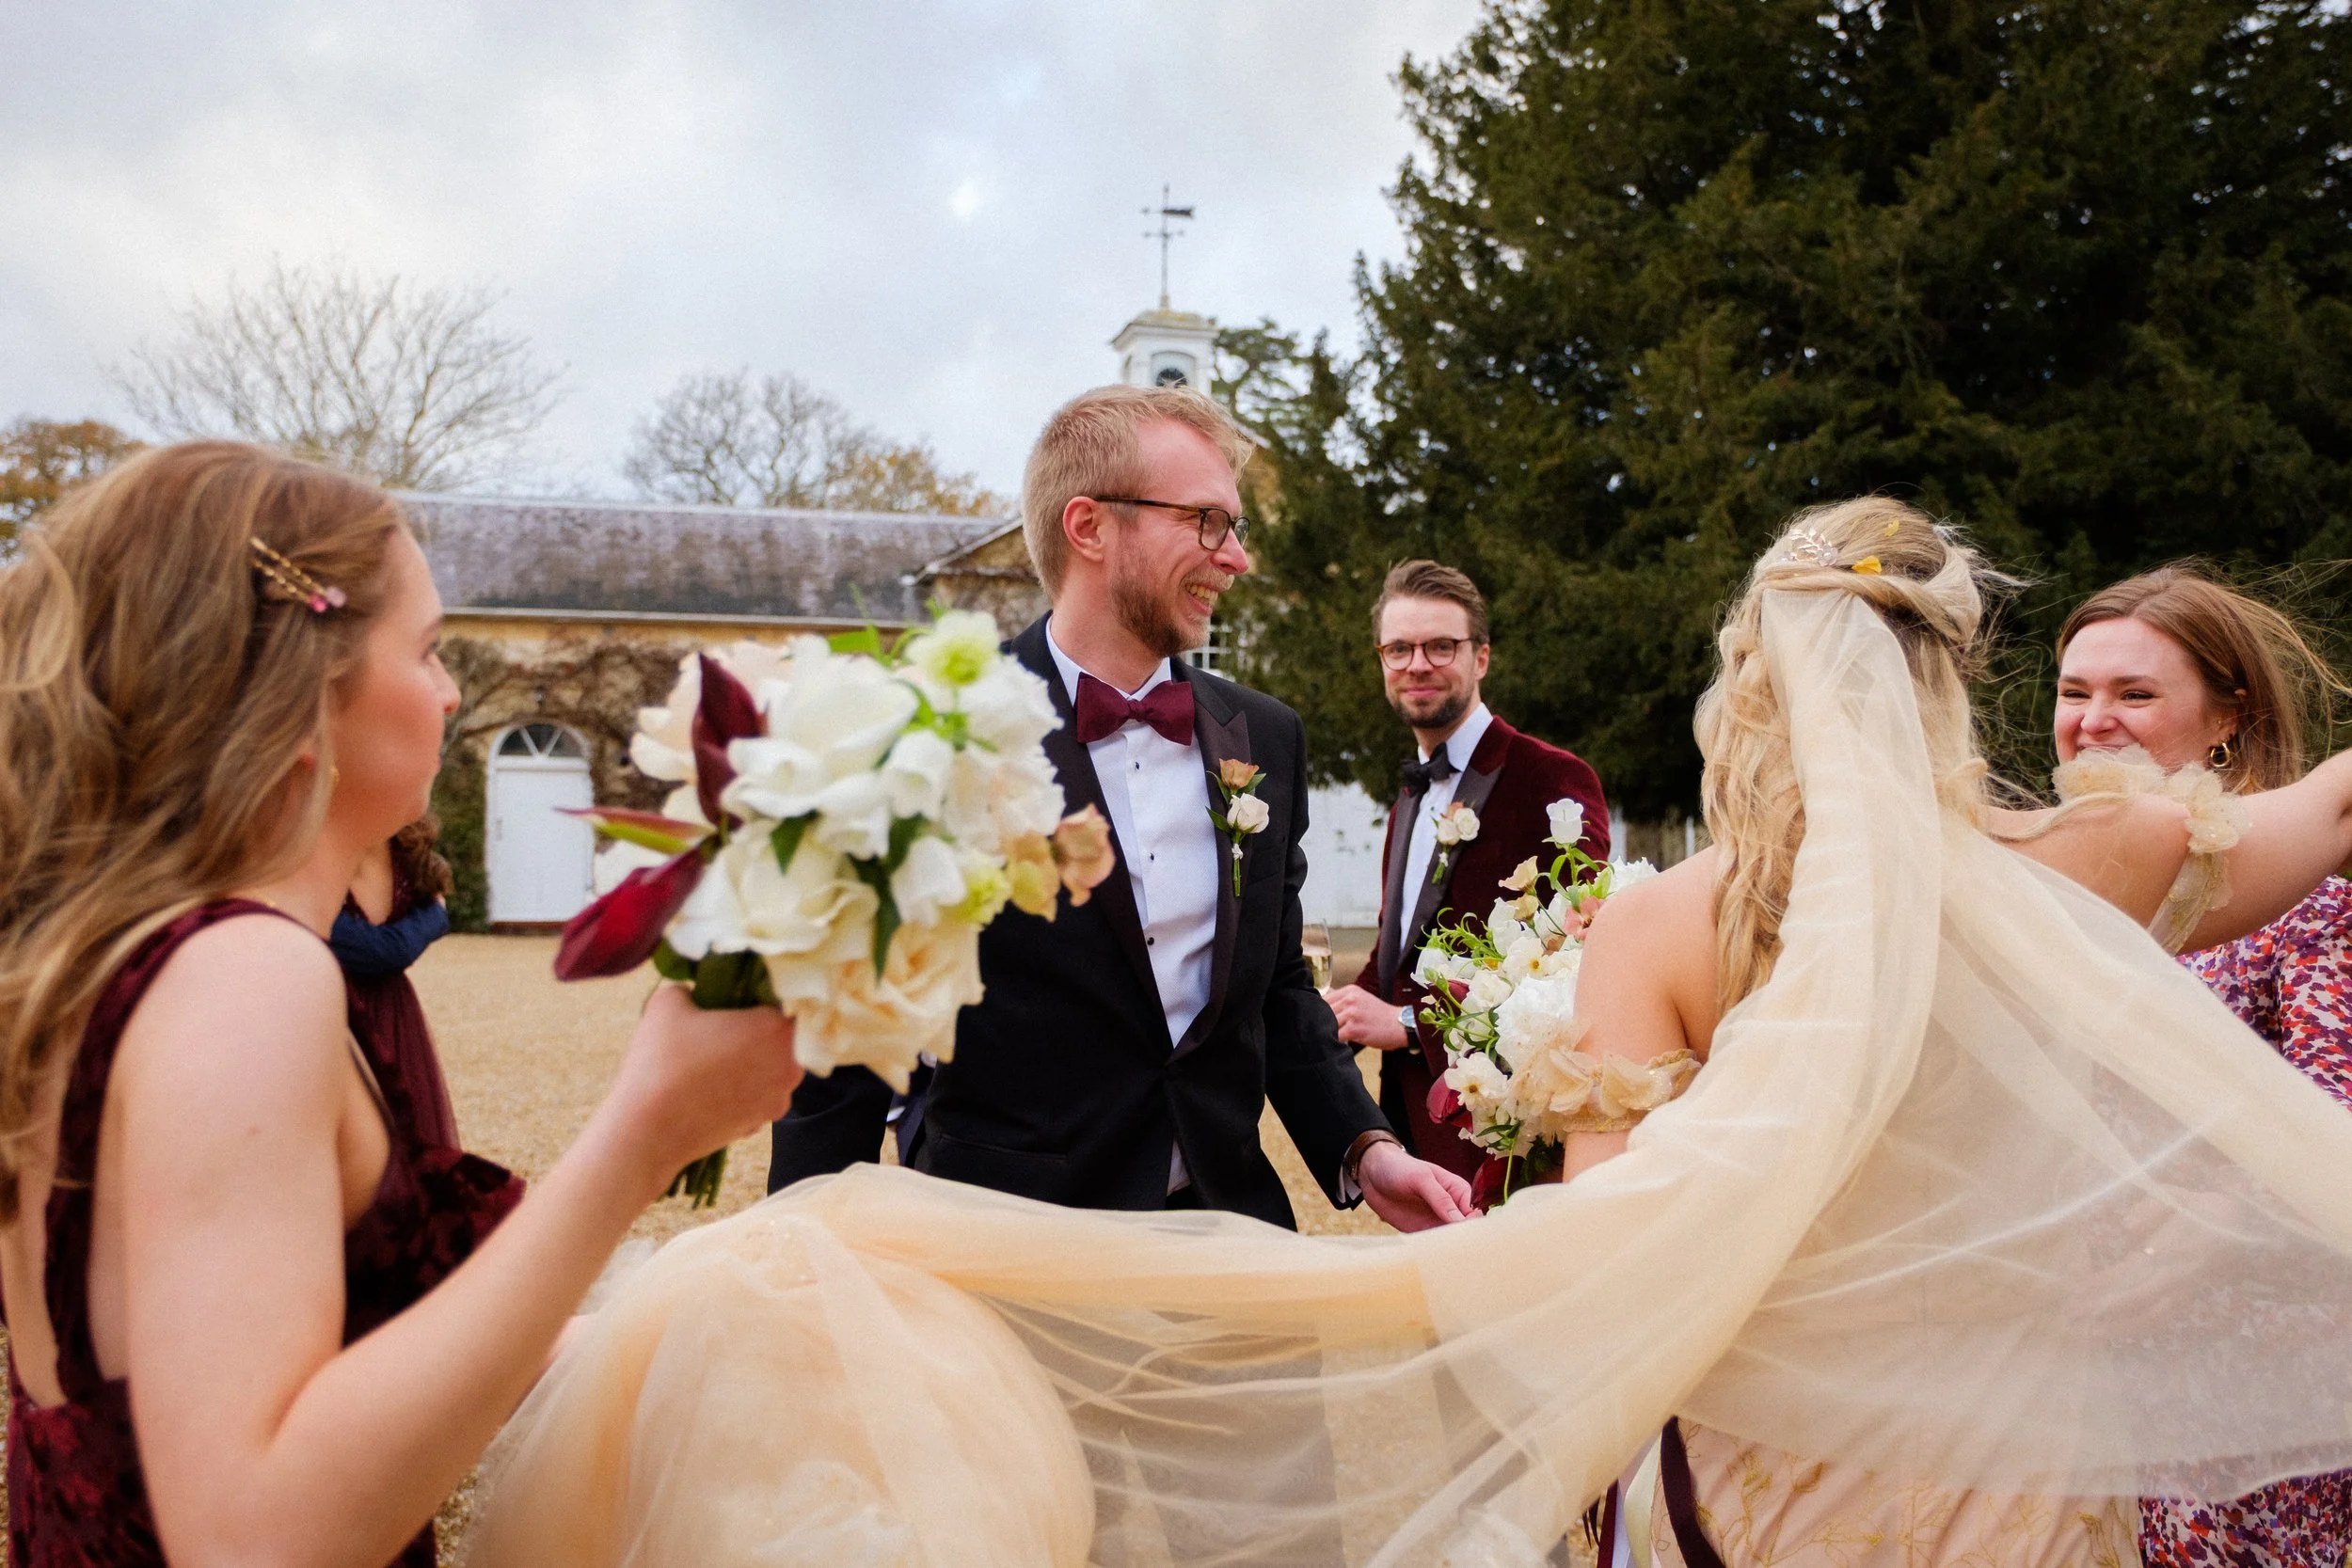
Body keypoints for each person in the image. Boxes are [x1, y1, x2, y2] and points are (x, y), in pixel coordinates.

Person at [469, 497, 2352, 1568]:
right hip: (2014, 1459)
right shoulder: (2079, 865)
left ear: (1755, 685)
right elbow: (2323, 807)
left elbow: (1614, 1257)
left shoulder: (1666, 926)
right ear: (1952, 674)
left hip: (1768, 1466)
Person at [0, 441, 802, 1568]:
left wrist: (707, 1343)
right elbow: (252, 1536)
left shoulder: (106, 962)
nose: (452, 689)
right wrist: (644, 1131)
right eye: (425, 649)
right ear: (297, 697)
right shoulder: (241, 978)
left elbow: (323, 1365)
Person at [765, 385, 1474, 1234]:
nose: (1236, 557)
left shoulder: (1266, 736)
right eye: (1206, 521)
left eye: (1236, 526)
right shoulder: (935, 736)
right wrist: (804, 1253)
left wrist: (1367, 1146)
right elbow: (849, 1042)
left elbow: (1278, 989)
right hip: (1003, 1244)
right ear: (1090, 526)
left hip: (1226, 1234)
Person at [2054, 564, 2352, 1568]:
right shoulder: (2042, 910)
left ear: (2225, 719)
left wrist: (2231, 1217)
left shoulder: (2307, 912)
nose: (2094, 719)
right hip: (2074, 1401)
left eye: (2134, 692)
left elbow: (2339, 1135)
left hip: (2248, 1418)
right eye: (2074, 691)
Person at [1322, 559, 1610, 1190]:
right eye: (1399, 648)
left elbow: (1572, 964)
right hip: (1416, 1131)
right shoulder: (1410, 797)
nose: (1417, 664)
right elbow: (1395, 960)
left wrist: (1406, 1025)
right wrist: (1327, 1019)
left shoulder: (1550, 777)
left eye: (1440, 646)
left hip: (1513, 1140)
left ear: (1481, 657)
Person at [333, 820, 462, 1149]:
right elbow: (380, 952)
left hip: (395, 1017)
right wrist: (434, 917)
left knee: (408, 1147)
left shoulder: (404, 847)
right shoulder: (307, 848)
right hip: (332, 1013)